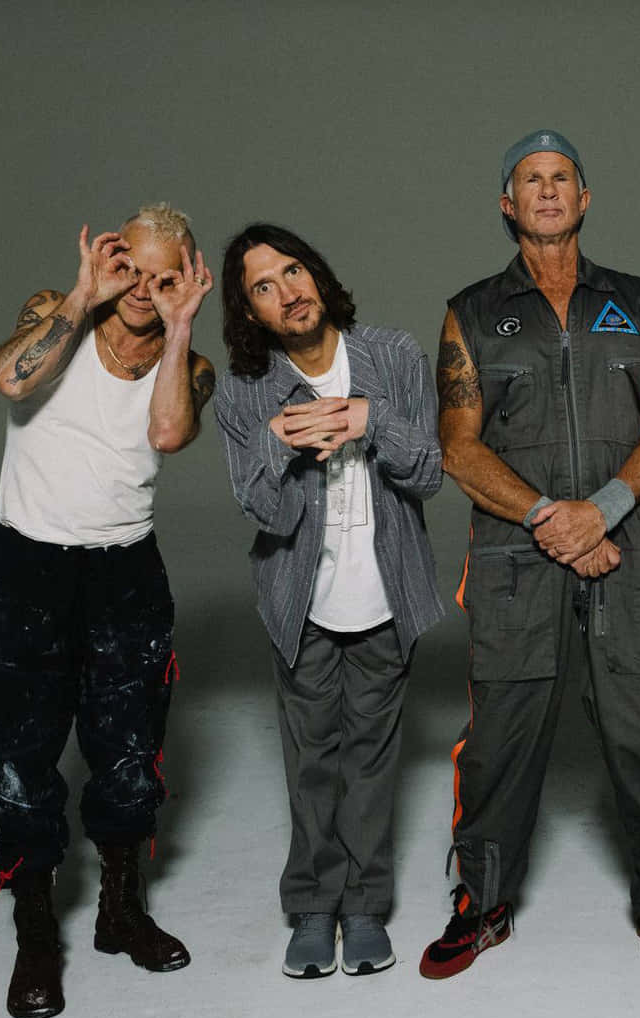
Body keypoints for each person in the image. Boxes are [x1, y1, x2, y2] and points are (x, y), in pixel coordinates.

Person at [422, 130, 640, 980]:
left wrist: (605, 512)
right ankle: (483, 898)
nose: (546, 191)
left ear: (584, 200)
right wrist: (555, 518)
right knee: (500, 740)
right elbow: (456, 444)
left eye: (561, 179)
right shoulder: (471, 312)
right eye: (529, 181)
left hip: (633, 551)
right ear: (507, 206)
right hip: (517, 552)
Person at [0, 203, 216, 1018]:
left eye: (165, 276)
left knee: (128, 746)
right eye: (132, 268)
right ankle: (36, 930)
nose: (145, 288)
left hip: (124, 574)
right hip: (25, 567)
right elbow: (10, 378)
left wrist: (179, 331)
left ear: (188, 279)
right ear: (109, 261)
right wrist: (81, 297)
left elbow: (170, 434)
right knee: (18, 752)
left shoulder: (193, 363)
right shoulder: (53, 311)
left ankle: (120, 909)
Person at [213, 224, 444, 979]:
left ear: (318, 273)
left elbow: (430, 472)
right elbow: (261, 510)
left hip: (385, 596)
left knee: (373, 761)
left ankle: (366, 907)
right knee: (314, 759)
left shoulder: (393, 356)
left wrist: (371, 421)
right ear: (251, 314)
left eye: (293, 269)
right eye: (264, 287)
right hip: (300, 602)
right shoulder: (248, 390)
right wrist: (278, 440)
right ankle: (313, 907)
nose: (288, 289)